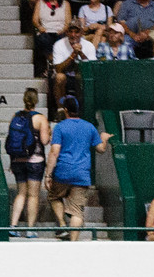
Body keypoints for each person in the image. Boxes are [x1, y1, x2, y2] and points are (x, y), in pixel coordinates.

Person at [45, 97, 110, 239]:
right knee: (77, 212)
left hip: (63, 171)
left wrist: (48, 174)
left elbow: (54, 151)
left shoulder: (60, 127)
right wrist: (104, 138)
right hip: (82, 175)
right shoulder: (89, 127)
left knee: (54, 196)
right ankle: (73, 244)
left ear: (66, 110)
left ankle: (62, 225)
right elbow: (100, 149)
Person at [3, 88, 49, 235]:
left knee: (21, 193)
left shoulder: (15, 116)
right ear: (36, 101)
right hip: (35, 161)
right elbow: (44, 140)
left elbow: (12, 139)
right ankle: (30, 229)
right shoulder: (40, 118)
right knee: (33, 195)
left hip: (17, 160)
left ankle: (13, 225)